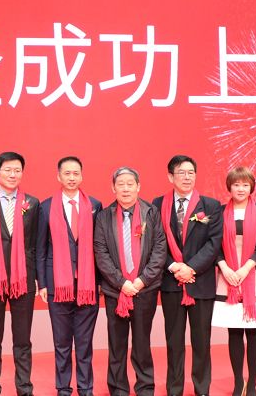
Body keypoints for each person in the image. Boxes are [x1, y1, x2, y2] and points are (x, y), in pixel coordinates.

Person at [153, 154, 223, 396]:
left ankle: (202, 389)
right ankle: (174, 389)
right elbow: (156, 243)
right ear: (170, 177)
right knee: (174, 342)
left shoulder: (210, 205)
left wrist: (190, 268)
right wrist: (175, 267)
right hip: (171, 282)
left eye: (190, 172)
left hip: (200, 282)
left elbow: (214, 243)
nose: (186, 177)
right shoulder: (157, 205)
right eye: (181, 172)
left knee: (201, 341)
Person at [94, 166, 167, 396]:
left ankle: (145, 388)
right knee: (117, 344)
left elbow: (159, 250)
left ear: (138, 186)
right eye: (121, 184)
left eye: (130, 184)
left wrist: (142, 280)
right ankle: (118, 389)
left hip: (145, 289)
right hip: (116, 291)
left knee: (142, 343)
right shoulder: (103, 216)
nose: (125, 189)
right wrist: (121, 282)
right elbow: (101, 252)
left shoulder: (151, 213)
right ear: (113, 188)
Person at [0, 152, 40, 396]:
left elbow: (34, 244)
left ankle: (24, 387)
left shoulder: (32, 203)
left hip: (23, 279)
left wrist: (35, 277)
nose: (13, 174)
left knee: (22, 340)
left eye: (17, 170)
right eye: (8, 170)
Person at [36, 156, 103, 396]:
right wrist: (42, 283)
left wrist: (100, 282)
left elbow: (100, 247)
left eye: (76, 173)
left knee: (84, 343)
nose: (72, 178)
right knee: (62, 343)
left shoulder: (95, 205)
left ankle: (86, 388)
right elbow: (40, 248)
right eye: (67, 173)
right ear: (59, 176)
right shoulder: (45, 207)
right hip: (57, 284)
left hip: (87, 284)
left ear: (82, 176)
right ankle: (63, 388)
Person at [212, 166, 256, 396]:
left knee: (254, 331)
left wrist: (245, 268)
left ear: (251, 187)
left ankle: (253, 383)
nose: (240, 189)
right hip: (228, 276)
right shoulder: (220, 212)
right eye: (236, 185)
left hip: (254, 275)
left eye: (245, 185)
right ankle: (239, 382)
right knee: (235, 332)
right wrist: (225, 267)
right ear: (229, 187)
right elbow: (213, 244)